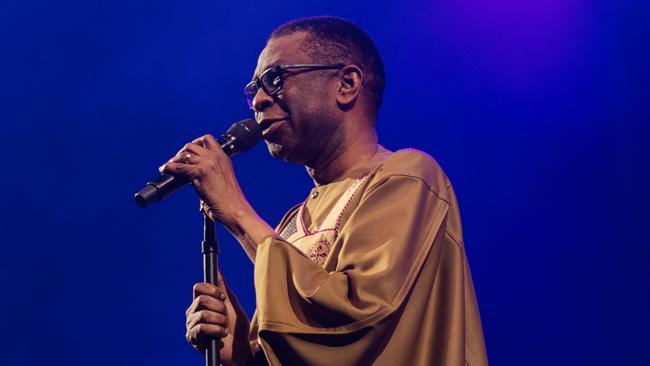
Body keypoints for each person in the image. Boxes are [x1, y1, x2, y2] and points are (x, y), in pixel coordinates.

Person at [160, 16, 488, 366]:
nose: (257, 100)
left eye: (274, 79)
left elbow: (357, 319)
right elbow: (309, 346)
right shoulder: (291, 225)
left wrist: (238, 213)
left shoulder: (408, 176)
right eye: (253, 88)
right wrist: (241, 350)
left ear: (346, 84)